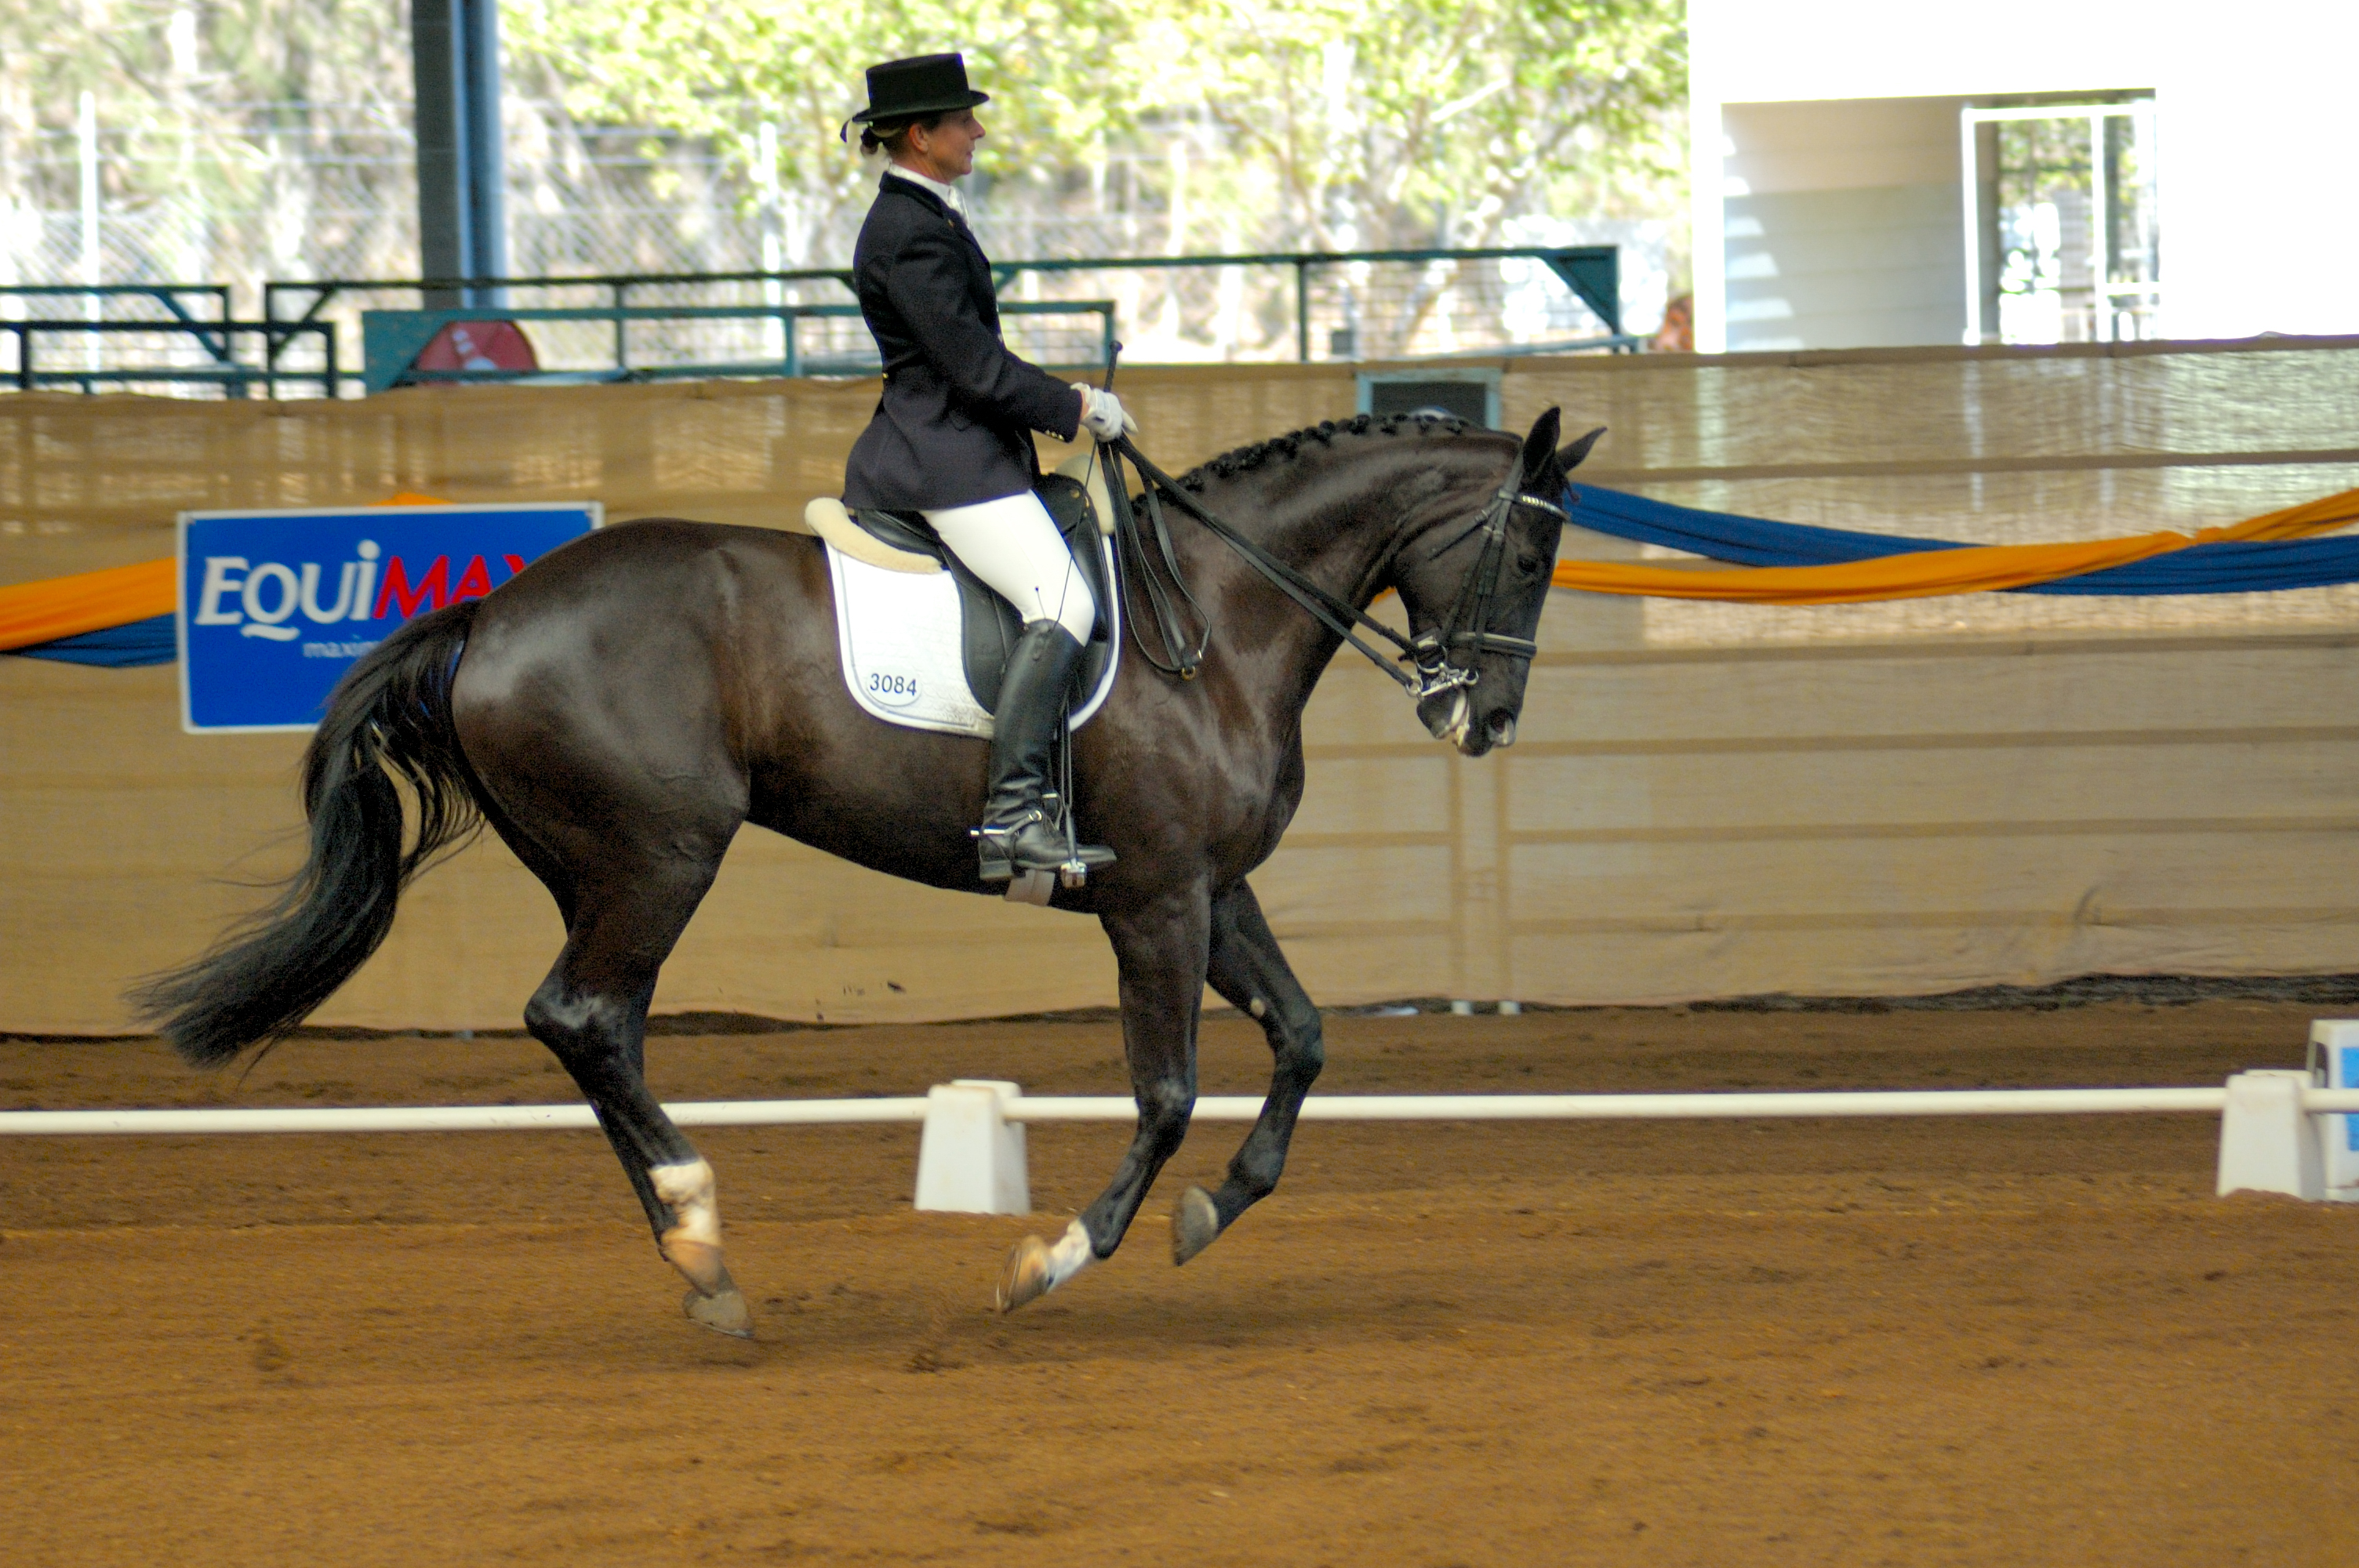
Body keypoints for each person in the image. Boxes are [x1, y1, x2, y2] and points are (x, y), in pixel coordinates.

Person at [841, 53, 1131, 885]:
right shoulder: (907, 231)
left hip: (964, 447)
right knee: (1063, 602)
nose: (977, 131)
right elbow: (973, 368)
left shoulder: (928, 214)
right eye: (962, 120)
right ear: (919, 135)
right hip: (944, 459)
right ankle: (1013, 814)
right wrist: (1076, 405)